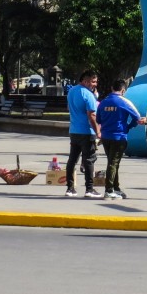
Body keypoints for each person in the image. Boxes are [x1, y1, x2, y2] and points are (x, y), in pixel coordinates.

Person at [96, 78, 141, 200]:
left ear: (112, 88)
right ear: (123, 90)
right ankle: (109, 190)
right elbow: (138, 118)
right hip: (119, 136)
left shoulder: (104, 102)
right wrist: (128, 127)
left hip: (106, 137)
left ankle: (116, 188)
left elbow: (98, 120)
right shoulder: (124, 102)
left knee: (113, 163)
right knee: (113, 163)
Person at [65, 70, 102, 198]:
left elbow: (69, 108)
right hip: (87, 132)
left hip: (74, 131)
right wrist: (97, 131)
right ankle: (89, 189)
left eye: (96, 81)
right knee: (89, 160)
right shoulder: (88, 94)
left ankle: (70, 188)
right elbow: (91, 115)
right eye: (93, 81)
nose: (95, 84)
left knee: (72, 160)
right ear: (85, 81)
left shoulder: (71, 91)